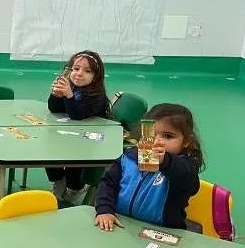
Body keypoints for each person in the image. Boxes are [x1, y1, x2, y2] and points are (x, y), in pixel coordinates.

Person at [94, 103, 202, 232]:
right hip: (121, 225)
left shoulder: (185, 166)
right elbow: (108, 183)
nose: (157, 141)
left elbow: (190, 183)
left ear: (186, 142)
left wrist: (165, 161)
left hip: (163, 232)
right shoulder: (129, 157)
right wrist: (105, 209)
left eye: (168, 136)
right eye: (151, 134)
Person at [46, 50, 111, 203]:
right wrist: (56, 95)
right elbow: (54, 109)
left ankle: (76, 187)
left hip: (90, 140)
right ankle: (58, 180)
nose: (79, 74)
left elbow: (78, 115)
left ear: (96, 76)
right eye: (76, 69)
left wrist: (68, 96)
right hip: (72, 133)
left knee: (74, 163)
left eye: (87, 71)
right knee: (49, 151)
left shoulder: (97, 96)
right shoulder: (72, 87)